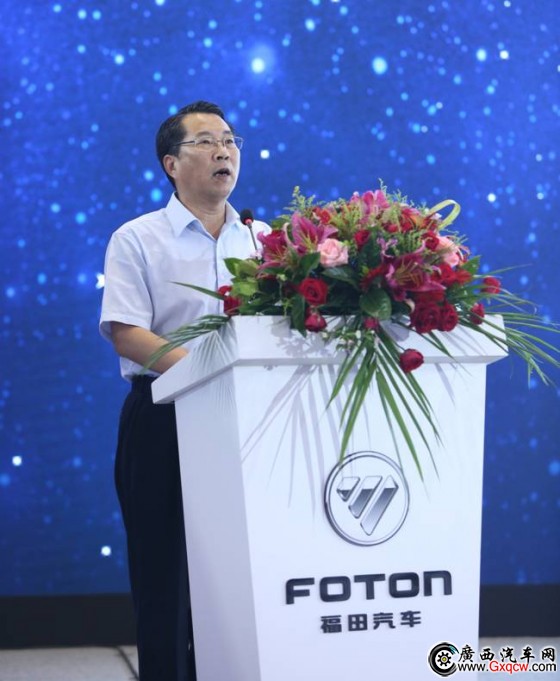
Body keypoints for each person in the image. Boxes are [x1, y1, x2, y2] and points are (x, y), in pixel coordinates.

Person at [99, 100, 268, 681]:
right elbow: (127, 332)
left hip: (251, 421)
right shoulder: (138, 238)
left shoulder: (265, 240)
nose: (225, 151)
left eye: (230, 140)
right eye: (206, 141)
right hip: (166, 418)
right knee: (165, 577)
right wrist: (207, 374)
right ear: (171, 163)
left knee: (248, 571)